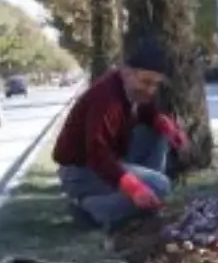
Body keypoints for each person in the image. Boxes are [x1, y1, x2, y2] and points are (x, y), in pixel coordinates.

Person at [53, 40, 188, 232]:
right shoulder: (105, 98)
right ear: (126, 72)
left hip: (109, 160)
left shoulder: (129, 89)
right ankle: (90, 209)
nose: (150, 90)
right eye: (146, 82)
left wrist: (166, 126)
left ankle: (147, 203)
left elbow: (146, 113)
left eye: (155, 85)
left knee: (158, 133)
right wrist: (133, 187)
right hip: (81, 170)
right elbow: (97, 154)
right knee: (161, 185)